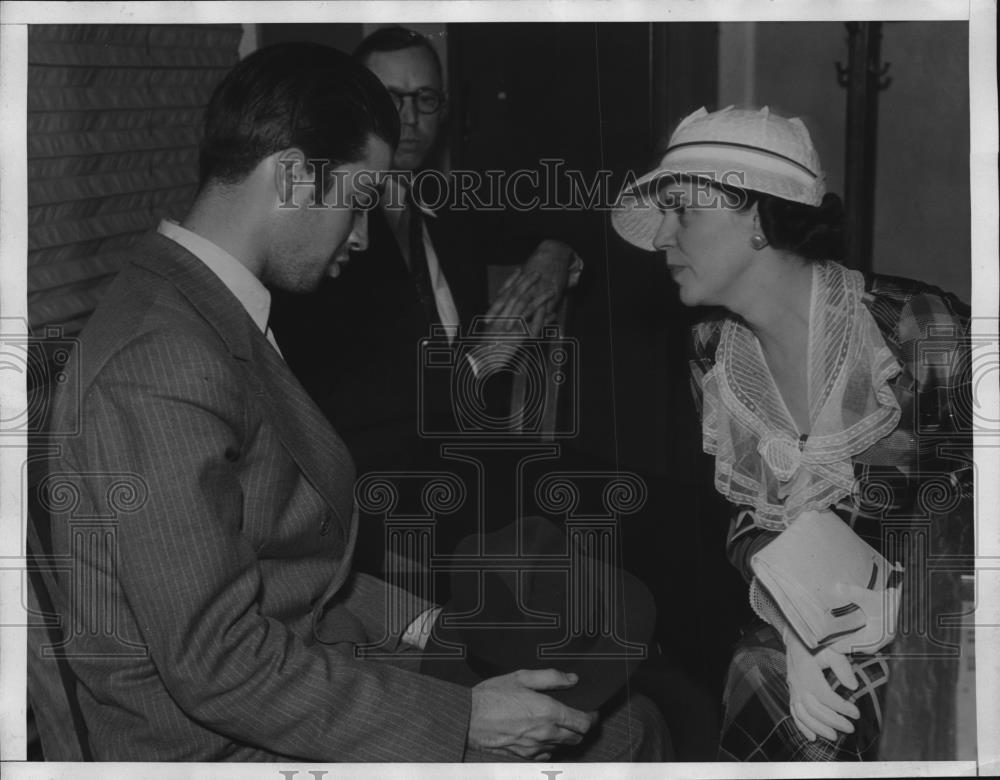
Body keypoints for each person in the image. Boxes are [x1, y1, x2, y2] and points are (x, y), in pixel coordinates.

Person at [39, 42, 667, 762]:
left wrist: (427, 624)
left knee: (611, 702)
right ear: (297, 176)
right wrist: (459, 718)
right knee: (627, 735)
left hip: (297, 664)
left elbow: (282, 574)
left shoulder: (207, 307)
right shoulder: (161, 361)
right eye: (359, 203)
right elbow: (217, 666)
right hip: (220, 746)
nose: (363, 236)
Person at [611, 106, 972, 760]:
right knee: (761, 670)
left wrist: (912, 607)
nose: (662, 235)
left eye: (682, 211)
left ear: (754, 216)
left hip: (957, 619)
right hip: (816, 617)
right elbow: (751, 522)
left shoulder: (918, 328)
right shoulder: (712, 355)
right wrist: (800, 630)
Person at [269, 28, 583, 575]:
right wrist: (483, 360)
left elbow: (560, 215)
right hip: (379, 485)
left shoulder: (446, 203)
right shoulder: (325, 230)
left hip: (471, 457)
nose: (409, 118)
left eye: (425, 99)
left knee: (627, 510)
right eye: (388, 98)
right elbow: (362, 407)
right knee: (579, 537)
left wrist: (555, 254)